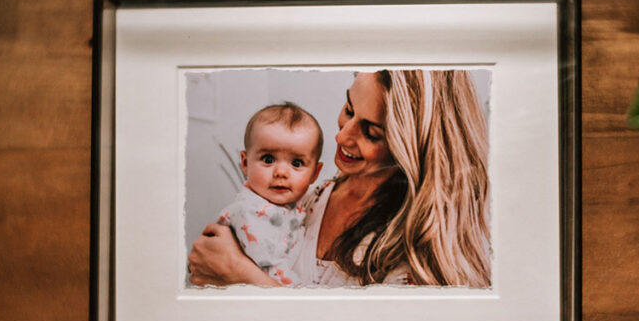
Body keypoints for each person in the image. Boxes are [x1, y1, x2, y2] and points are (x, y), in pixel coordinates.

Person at [189, 70, 491, 288]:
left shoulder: (416, 249)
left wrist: (241, 274)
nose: (341, 135)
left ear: (413, 150)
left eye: (372, 132)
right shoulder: (310, 197)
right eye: (349, 109)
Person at [208, 102, 324, 286]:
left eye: (297, 163)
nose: (281, 172)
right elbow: (268, 268)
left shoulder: (298, 203)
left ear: (314, 174)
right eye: (268, 159)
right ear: (245, 163)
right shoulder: (250, 212)